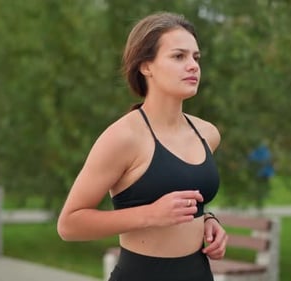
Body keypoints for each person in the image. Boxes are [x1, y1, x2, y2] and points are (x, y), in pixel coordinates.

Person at [57, 11, 227, 281]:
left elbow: (188, 201)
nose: (193, 66)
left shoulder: (207, 134)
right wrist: (150, 214)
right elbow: (69, 224)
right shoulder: (123, 137)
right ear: (146, 66)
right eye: (178, 56)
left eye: (196, 57)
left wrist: (209, 221)